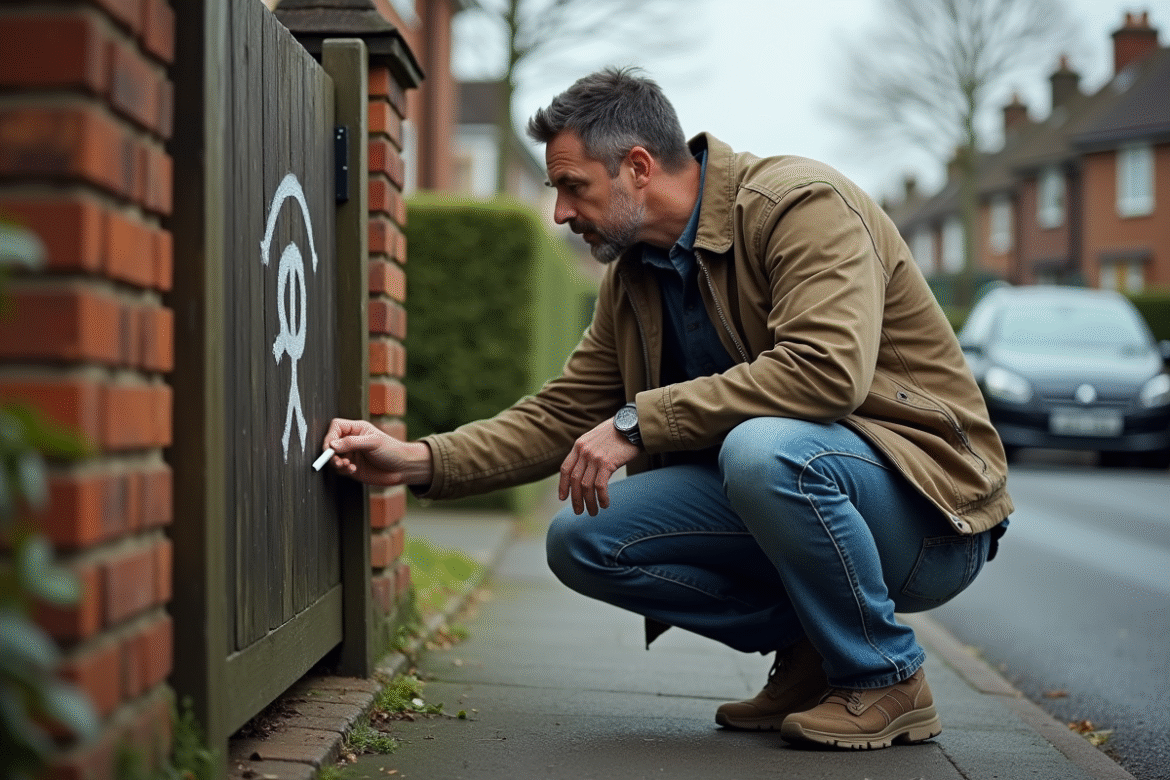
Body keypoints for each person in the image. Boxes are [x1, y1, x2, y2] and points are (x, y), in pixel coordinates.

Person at [321, 66, 1012, 750]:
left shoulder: (800, 206)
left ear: (639, 167)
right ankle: (814, 650)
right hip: (797, 494)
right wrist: (416, 461)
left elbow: (825, 371)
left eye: (573, 186)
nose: (560, 212)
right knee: (582, 541)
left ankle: (887, 674)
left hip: (928, 515)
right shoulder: (635, 276)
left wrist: (637, 421)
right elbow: (561, 414)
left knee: (761, 448)